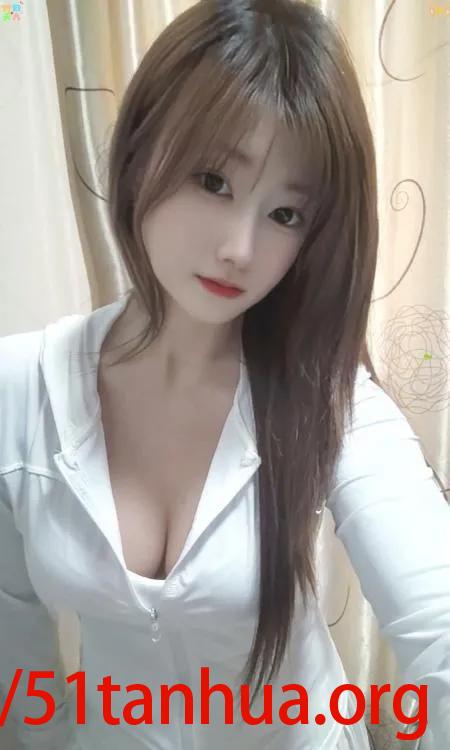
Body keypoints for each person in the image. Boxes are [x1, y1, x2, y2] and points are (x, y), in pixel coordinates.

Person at [1, 1, 449, 748]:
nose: (240, 248)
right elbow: (15, 651)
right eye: (213, 180)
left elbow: (440, 623)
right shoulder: (19, 389)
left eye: (286, 215)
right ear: (142, 149)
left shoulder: (331, 402)